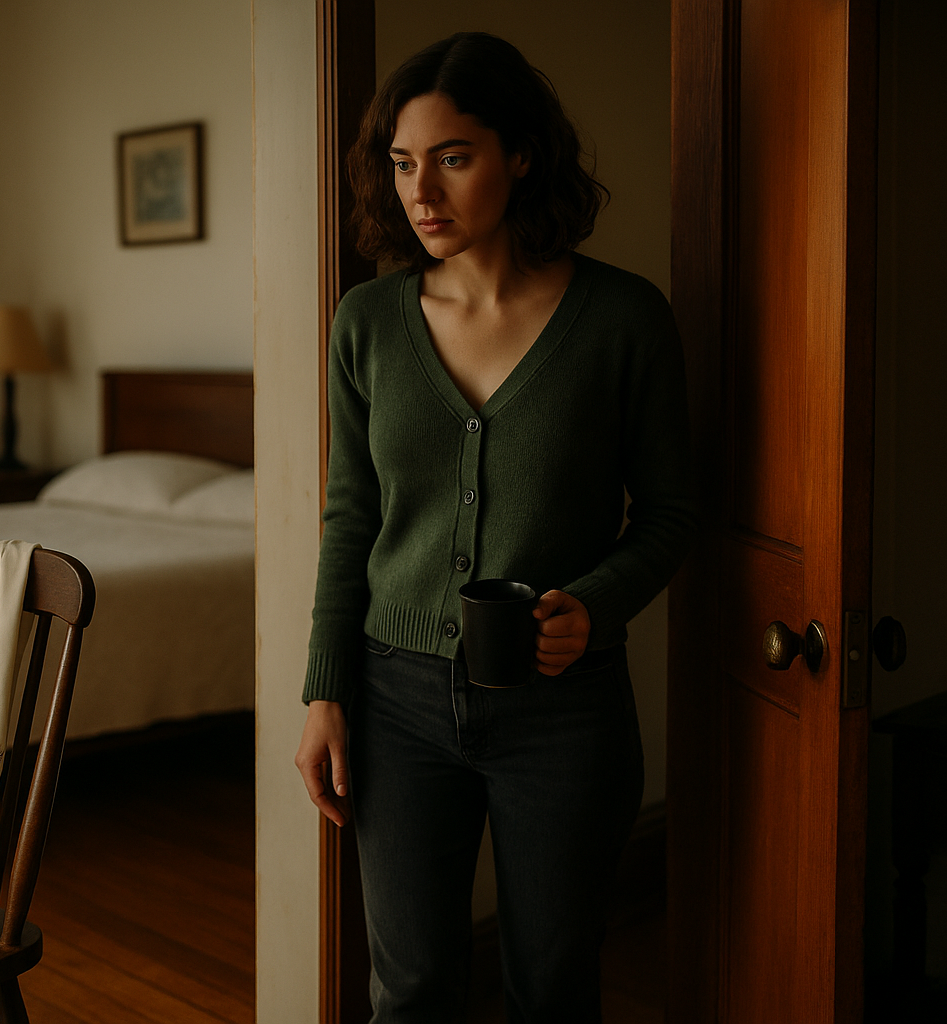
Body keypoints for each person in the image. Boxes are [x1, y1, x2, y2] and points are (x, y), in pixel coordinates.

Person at [293, 31, 698, 1024]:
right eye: (401, 164)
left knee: (553, 989)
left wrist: (592, 606)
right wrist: (324, 691)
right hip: (395, 705)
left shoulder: (623, 321)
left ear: (522, 154)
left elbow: (675, 515)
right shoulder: (367, 323)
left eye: (452, 157)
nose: (419, 192)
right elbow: (350, 522)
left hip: (565, 714)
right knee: (411, 991)